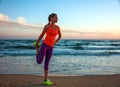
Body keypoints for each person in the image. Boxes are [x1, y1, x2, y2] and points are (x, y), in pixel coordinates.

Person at [35, 13, 61, 85]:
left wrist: (55, 42)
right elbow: (42, 35)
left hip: (51, 47)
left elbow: (60, 36)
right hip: (44, 45)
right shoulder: (46, 26)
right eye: (55, 17)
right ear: (51, 18)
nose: (57, 18)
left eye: (57, 17)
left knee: (47, 63)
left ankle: (45, 80)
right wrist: (37, 43)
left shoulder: (58, 27)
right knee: (39, 61)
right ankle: (37, 49)